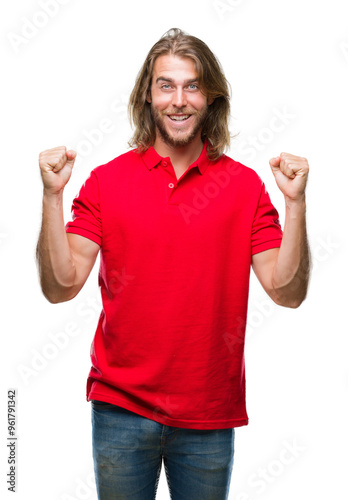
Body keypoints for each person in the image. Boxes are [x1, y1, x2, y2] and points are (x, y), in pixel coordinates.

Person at [36, 28, 310, 500]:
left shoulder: (244, 188)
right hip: (120, 409)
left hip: (208, 415)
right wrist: (52, 195)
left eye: (192, 85)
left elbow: (287, 292)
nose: (178, 100)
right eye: (166, 85)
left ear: (211, 97)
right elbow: (60, 286)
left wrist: (296, 205)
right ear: (148, 94)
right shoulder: (106, 182)